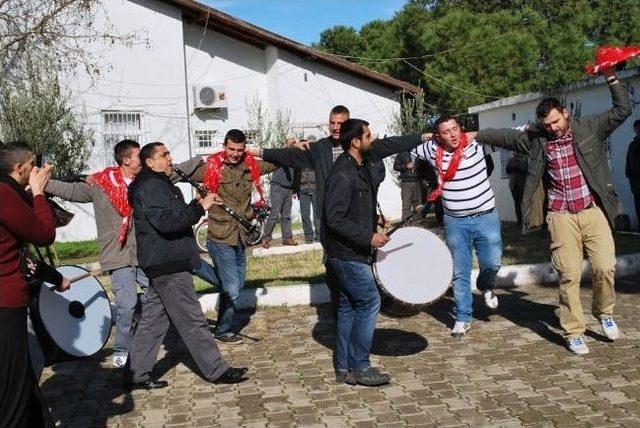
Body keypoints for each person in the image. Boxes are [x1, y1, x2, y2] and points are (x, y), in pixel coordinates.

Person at [473, 68, 631, 354]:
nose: (553, 128)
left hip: (592, 209)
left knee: (605, 267)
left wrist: (610, 77)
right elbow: (505, 137)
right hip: (560, 215)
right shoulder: (538, 141)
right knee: (568, 273)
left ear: (565, 114)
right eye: (547, 125)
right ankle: (573, 331)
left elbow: (623, 109)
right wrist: (475, 133)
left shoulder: (591, 127)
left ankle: (604, 312)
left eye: (556, 122)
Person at [45, 140, 214, 368]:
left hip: (145, 255)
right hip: (118, 255)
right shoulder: (101, 185)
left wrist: (202, 159)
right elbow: (70, 191)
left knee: (154, 301)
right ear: (126, 160)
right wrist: (40, 183)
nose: (143, 161)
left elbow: (175, 169)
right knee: (126, 305)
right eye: (138, 157)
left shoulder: (148, 182)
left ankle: (142, 355)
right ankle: (121, 359)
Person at [247, 105, 429, 318]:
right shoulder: (320, 149)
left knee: (361, 270)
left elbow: (392, 143)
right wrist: (260, 152)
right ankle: (341, 317)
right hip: (332, 221)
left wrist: (422, 137)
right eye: (332, 123)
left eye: (340, 123)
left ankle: (356, 315)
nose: (335, 128)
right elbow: (291, 156)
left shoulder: (363, 146)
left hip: (361, 221)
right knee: (335, 273)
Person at [126, 142, 247, 390]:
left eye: (169, 153)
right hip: (169, 264)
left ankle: (136, 374)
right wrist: (199, 207)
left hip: (164, 262)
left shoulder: (158, 184)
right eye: (164, 155)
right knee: (192, 321)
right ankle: (217, 370)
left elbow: (173, 216)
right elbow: (167, 223)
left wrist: (196, 203)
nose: (170, 158)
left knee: (153, 322)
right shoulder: (152, 186)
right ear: (149, 162)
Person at [412, 116, 501, 339]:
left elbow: (508, 137)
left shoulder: (477, 144)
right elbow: (407, 147)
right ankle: (462, 317)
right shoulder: (431, 149)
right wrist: (424, 137)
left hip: (486, 216)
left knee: (493, 262)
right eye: (446, 132)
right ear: (438, 136)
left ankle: (486, 284)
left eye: (455, 129)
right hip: (455, 222)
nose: (452, 135)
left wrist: (480, 134)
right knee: (460, 272)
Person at [322, 118, 393, 386]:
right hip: (346, 254)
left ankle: (344, 369)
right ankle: (361, 367)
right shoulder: (343, 173)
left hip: (350, 251)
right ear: (355, 141)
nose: (371, 139)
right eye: (367, 135)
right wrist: (369, 236)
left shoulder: (357, 167)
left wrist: (373, 220)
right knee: (369, 301)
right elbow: (335, 219)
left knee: (349, 308)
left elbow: (353, 208)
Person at [193, 130, 277, 344]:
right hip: (220, 236)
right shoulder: (211, 168)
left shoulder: (251, 166)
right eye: (231, 149)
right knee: (231, 287)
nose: (235, 154)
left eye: (240, 150)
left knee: (236, 285)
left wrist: (290, 148)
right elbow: (179, 172)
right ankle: (222, 330)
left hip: (242, 235)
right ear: (224, 146)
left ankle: (194, 264)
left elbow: (278, 162)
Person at [0, 142, 56, 426]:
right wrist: (38, 192)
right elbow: (44, 233)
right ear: (19, 167)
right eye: (32, 164)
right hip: (6, 302)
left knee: (22, 376)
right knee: (12, 387)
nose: (36, 168)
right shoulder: (3, 194)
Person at [261, 139, 298, 248]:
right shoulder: (281, 155)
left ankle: (287, 238)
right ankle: (266, 239)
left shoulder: (295, 158)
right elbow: (284, 149)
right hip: (278, 187)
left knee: (286, 215)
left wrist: (294, 190)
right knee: (274, 213)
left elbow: (296, 174)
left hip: (289, 188)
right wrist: (288, 145)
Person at [295, 135, 320, 243]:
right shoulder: (301, 155)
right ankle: (309, 237)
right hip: (303, 189)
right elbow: (296, 173)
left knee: (317, 215)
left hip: (316, 189)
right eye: (309, 144)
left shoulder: (319, 157)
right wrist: (295, 190)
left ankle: (319, 236)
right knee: (305, 215)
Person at [394, 151, 422, 219]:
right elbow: (395, 166)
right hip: (406, 182)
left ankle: (417, 223)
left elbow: (424, 167)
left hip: (417, 181)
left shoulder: (419, 152)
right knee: (406, 204)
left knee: (418, 203)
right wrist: (406, 166)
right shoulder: (402, 153)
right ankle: (405, 224)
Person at [506, 151, 528, 225]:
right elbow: (508, 170)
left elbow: (523, 170)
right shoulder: (511, 160)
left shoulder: (524, 160)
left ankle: (525, 220)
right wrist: (515, 168)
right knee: (517, 203)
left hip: (521, 184)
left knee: (523, 202)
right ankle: (519, 221)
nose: (515, 153)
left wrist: (515, 168)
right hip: (513, 184)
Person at [625, 119, 640, 228]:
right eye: (637, 128)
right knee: (638, 204)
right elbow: (628, 160)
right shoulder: (633, 144)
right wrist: (629, 174)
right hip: (636, 181)